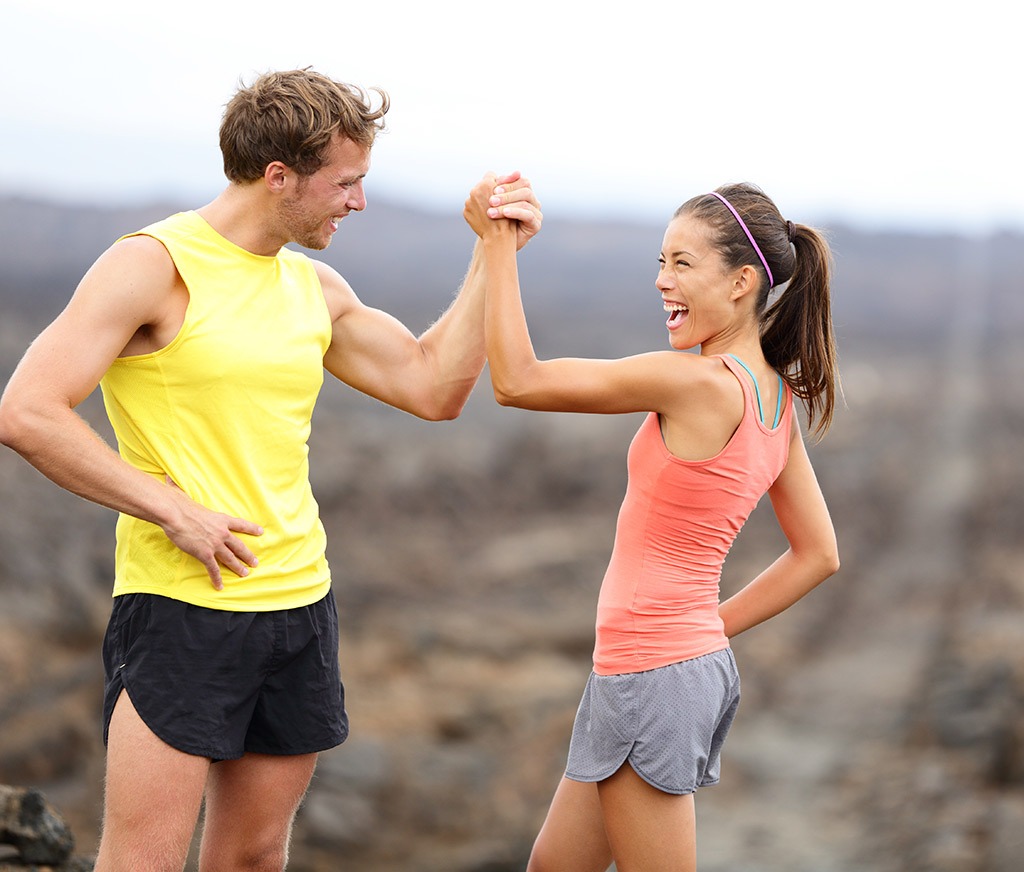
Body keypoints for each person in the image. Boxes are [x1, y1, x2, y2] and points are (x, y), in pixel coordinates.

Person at [0, 70, 541, 872]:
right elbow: (27, 411)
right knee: (143, 860)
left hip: (299, 606)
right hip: (182, 606)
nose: (357, 204)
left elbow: (433, 386)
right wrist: (171, 510)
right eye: (345, 184)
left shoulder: (313, 285)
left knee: (254, 856)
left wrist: (491, 252)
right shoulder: (154, 266)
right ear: (278, 175)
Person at [464, 176, 841, 871]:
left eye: (683, 264)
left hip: (654, 674)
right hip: (660, 664)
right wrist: (703, 631)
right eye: (660, 263)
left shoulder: (696, 382)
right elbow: (818, 554)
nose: (663, 281)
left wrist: (498, 248)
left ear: (741, 283)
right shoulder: (775, 403)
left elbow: (517, 380)